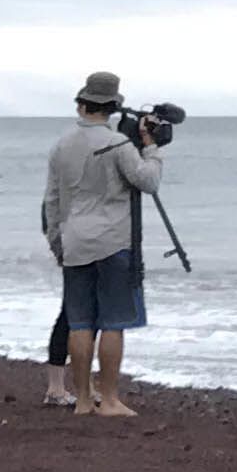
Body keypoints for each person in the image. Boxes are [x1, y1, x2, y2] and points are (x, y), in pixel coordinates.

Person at [41, 71, 165, 419]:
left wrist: (57, 242)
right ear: (113, 107)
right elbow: (148, 181)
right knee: (112, 322)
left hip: (74, 240)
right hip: (112, 241)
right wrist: (152, 149)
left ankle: (82, 400)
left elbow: (52, 200)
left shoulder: (62, 145)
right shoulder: (118, 144)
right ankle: (108, 399)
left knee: (80, 322)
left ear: (81, 105)